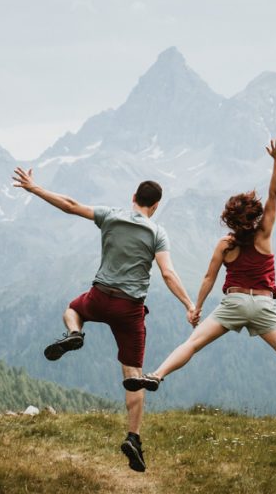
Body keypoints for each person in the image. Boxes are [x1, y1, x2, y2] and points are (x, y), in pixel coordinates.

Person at [123, 139, 276, 419]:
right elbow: (274, 193)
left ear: (230, 219)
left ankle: (157, 375)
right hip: (264, 305)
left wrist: (196, 308)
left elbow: (208, 278)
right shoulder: (264, 236)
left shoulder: (225, 245)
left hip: (235, 302)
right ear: (254, 215)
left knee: (192, 344)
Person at [11, 167, 196, 472]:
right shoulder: (157, 233)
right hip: (129, 310)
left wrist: (34, 188)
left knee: (72, 310)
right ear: (155, 206)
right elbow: (168, 273)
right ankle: (133, 437)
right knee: (133, 375)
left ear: (133, 197)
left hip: (99, 297)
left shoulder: (110, 216)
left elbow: (70, 205)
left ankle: (75, 333)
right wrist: (189, 304)